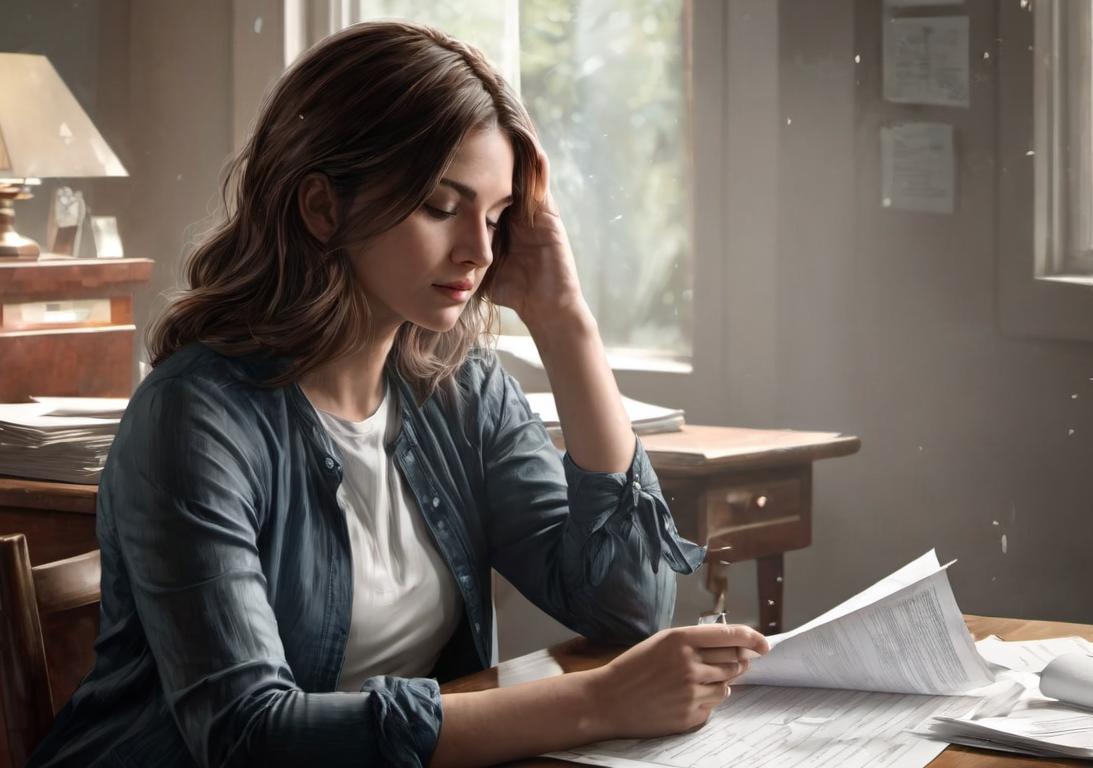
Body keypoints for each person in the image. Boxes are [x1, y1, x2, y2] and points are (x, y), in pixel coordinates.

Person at [26, 20, 769, 768]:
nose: (479, 251)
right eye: (442, 207)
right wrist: (596, 703)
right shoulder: (195, 420)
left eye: (498, 217)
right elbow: (249, 736)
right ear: (322, 208)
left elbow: (628, 608)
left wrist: (565, 322)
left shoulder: (461, 390)